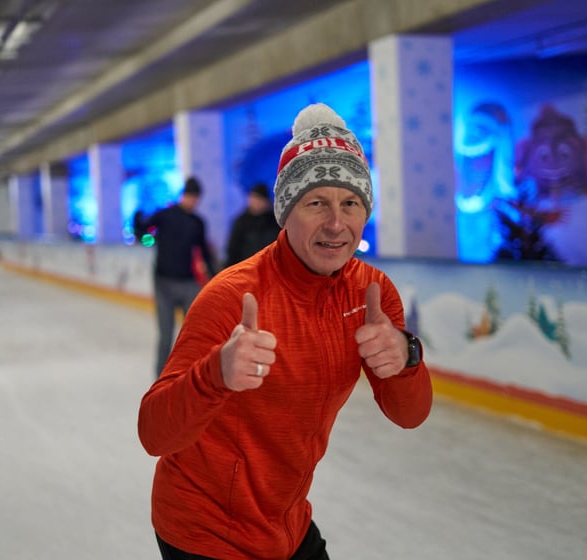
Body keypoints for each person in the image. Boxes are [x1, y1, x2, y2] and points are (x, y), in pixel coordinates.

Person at [138, 103, 432, 560]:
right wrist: (215, 373)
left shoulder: (372, 293)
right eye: (317, 203)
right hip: (205, 529)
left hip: (285, 523)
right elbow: (154, 434)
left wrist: (406, 354)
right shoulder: (232, 297)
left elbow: (409, 414)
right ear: (286, 211)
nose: (337, 224)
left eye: (350, 203)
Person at [139, 177, 216, 376]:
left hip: (188, 283)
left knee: (190, 335)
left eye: (196, 198)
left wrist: (214, 276)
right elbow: (143, 232)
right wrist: (136, 218)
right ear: (183, 195)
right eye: (190, 196)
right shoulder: (165, 215)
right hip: (163, 282)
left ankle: (188, 375)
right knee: (166, 335)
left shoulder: (197, 223)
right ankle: (161, 378)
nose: (192, 201)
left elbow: (203, 252)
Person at [224, 182, 281, 267]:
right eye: (254, 198)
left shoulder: (275, 222)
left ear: (267, 202)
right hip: (246, 270)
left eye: (260, 199)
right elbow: (233, 251)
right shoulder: (241, 222)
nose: (256, 202)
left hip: (270, 268)